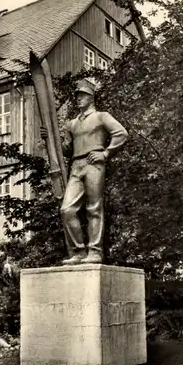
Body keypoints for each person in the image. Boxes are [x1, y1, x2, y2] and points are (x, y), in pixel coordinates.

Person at [41, 80, 128, 265]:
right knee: (67, 209)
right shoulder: (71, 124)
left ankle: (95, 252)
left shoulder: (101, 116)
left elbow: (121, 133)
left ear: (91, 97)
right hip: (76, 165)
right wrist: (48, 139)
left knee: (94, 208)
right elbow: (65, 150)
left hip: (94, 164)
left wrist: (105, 153)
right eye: (77, 96)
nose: (78, 99)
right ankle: (79, 251)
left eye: (82, 95)